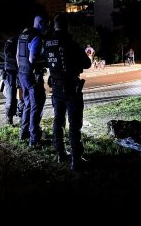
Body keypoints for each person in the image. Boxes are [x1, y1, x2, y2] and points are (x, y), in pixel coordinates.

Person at [45, 13, 91, 171]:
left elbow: (47, 62)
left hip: (56, 89)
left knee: (58, 122)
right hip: (71, 89)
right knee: (74, 124)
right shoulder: (70, 43)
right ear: (67, 26)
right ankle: (76, 159)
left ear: (54, 26)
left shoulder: (48, 43)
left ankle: (60, 153)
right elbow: (87, 63)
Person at [16, 16, 47, 147]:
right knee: (36, 105)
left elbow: (18, 56)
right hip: (32, 76)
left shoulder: (23, 35)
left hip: (22, 74)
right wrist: (45, 62)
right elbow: (32, 59)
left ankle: (24, 133)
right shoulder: (36, 37)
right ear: (40, 24)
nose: (46, 27)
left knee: (28, 104)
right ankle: (34, 140)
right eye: (45, 24)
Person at [3, 32, 24, 125]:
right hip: (11, 71)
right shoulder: (12, 40)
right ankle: (9, 118)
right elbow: (8, 56)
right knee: (11, 95)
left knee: (21, 96)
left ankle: (21, 117)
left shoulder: (23, 40)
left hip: (20, 71)